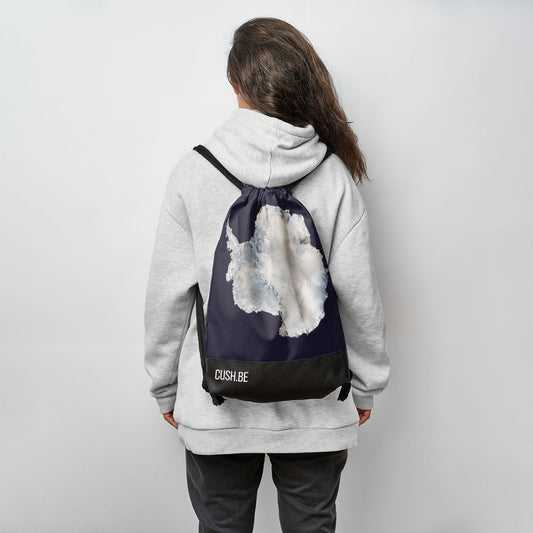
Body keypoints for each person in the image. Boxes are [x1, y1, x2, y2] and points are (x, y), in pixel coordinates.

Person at [144, 17, 391, 533]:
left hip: (217, 403)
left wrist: (165, 386)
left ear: (235, 82)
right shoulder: (333, 174)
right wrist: (366, 384)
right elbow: (358, 294)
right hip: (317, 408)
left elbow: (168, 296)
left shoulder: (194, 172)